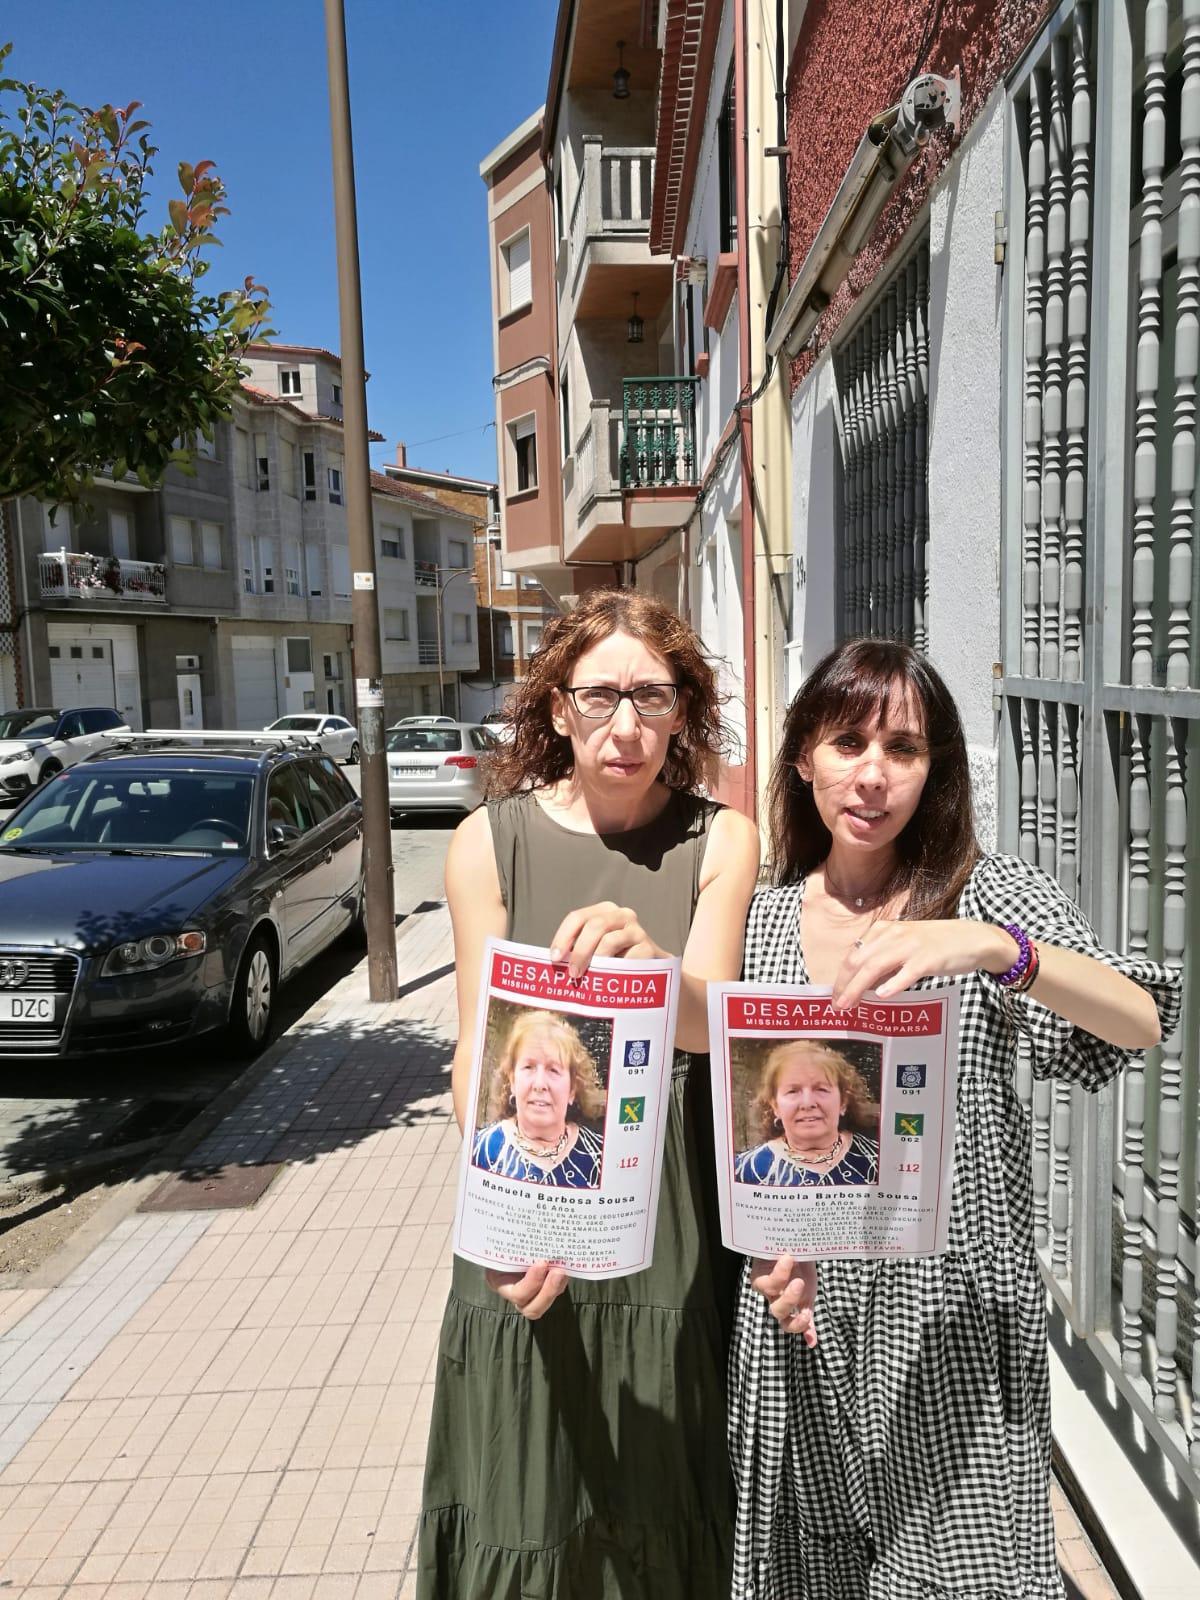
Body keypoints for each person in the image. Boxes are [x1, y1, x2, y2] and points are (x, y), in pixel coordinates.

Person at [728, 638, 1180, 1600]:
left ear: (935, 771)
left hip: (952, 1326)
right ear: (804, 753)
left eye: (904, 747)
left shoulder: (986, 897)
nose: (873, 773)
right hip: (796, 1322)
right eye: (848, 741)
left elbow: (1139, 1019)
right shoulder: (761, 920)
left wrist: (990, 947)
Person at [418, 588, 760, 1600]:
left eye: (652, 697)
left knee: (660, 1514)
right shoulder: (489, 841)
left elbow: (718, 1026)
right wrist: (509, 1219)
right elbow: (474, 1057)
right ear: (558, 706)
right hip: (526, 1215)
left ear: (684, 711)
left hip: (668, 1232)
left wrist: (656, 968)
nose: (627, 725)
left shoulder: (722, 840)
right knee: (526, 1504)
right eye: (601, 695)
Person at [472, 1008, 606, 1188]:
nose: (540, 1084)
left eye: (553, 1070)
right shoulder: (483, 1148)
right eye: (529, 1067)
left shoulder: (599, 1154)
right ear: (512, 1079)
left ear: (572, 1089)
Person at [735, 1039, 878, 1186]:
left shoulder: (879, 1159)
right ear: (775, 1106)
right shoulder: (744, 1171)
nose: (808, 1103)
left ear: (843, 1102)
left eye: (821, 1089)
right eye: (793, 1091)